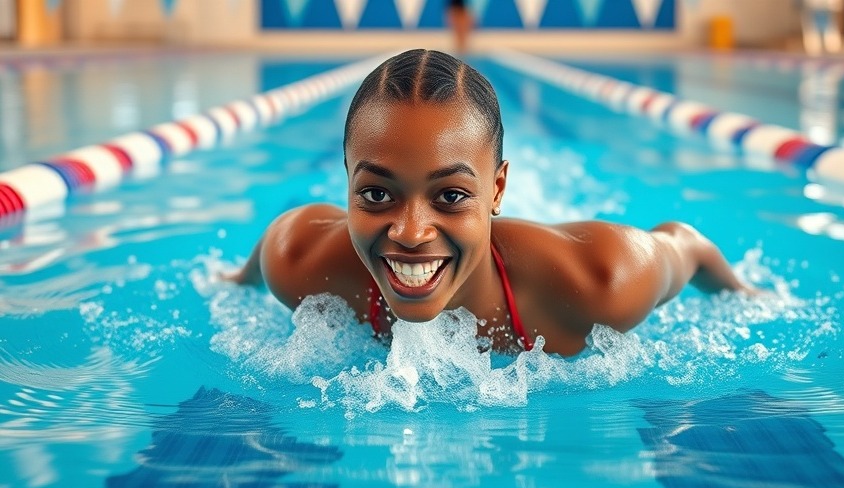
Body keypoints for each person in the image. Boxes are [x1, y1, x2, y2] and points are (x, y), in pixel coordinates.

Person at [224, 49, 755, 357]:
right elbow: (271, 247)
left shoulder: (601, 282)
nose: (410, 232)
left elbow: (687, 244)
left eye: (450, 195)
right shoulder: (301, 263)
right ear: (346, 184)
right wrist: (234, 283)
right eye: (377, 193)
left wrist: (746, 295)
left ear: (496, 190)